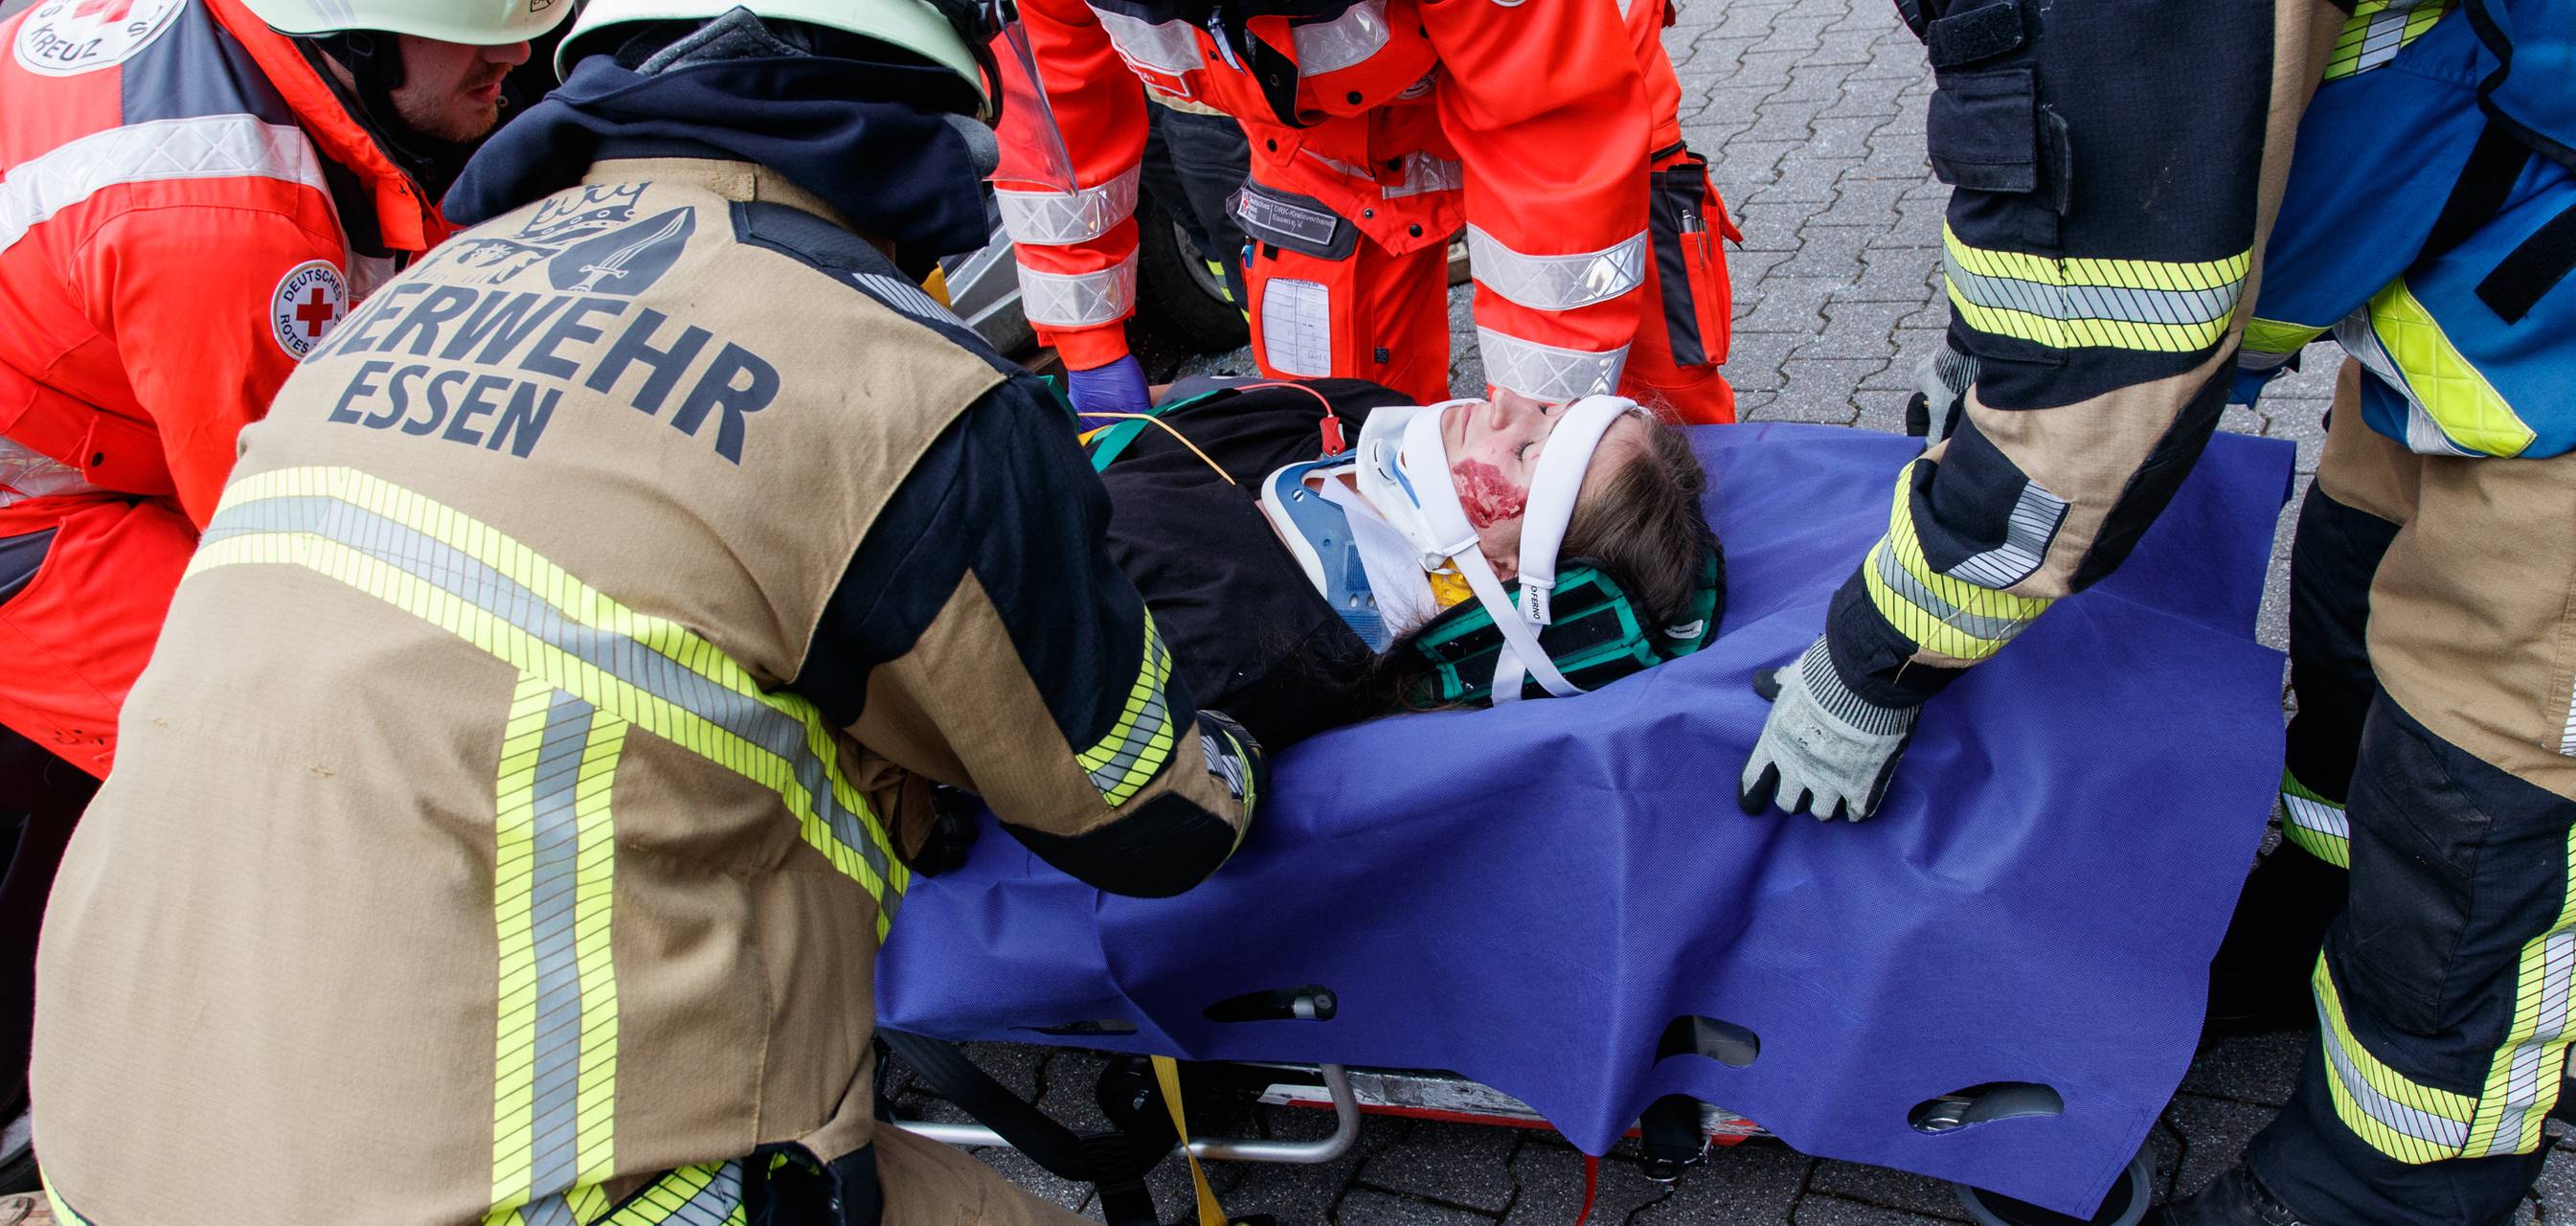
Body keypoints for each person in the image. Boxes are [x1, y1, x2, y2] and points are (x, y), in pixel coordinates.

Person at [30, 0, 1264, 1220]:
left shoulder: (393, 301)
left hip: (107, 1141)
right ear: (925, 127)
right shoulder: (906, 382)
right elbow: (1140, 823)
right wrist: (1245, 757)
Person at [1732, 2, 2576, 1222]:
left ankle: (2397, 1177)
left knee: (2500, 764)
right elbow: (2173, 167)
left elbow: (2101, 367)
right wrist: (2004, 346)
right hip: (2535, 209)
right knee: (2360, 597)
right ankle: (2331, 921)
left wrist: (1874, 657)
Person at [0, 0, 562, 1190]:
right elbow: (292, 544)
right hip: (36, 512)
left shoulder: (250, 58)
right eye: (474, 31)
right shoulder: (231, 221)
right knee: (302, 753)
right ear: (356, 39)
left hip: (104, 414)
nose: (514, 52)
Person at [996, 0, 1742, 428]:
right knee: (1333, 436)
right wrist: (1090, 351)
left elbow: (1553, 138)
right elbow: (1057, 142)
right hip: (1317, 143)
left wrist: (1540, 428)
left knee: (1641, 439)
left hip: (1570, 80)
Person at [1095, 378, 1719, 748]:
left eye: (1529, 453)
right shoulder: (1360, 413)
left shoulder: (1241, 645)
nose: (1507, 401)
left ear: (1505, 571)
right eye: (1554, 409)